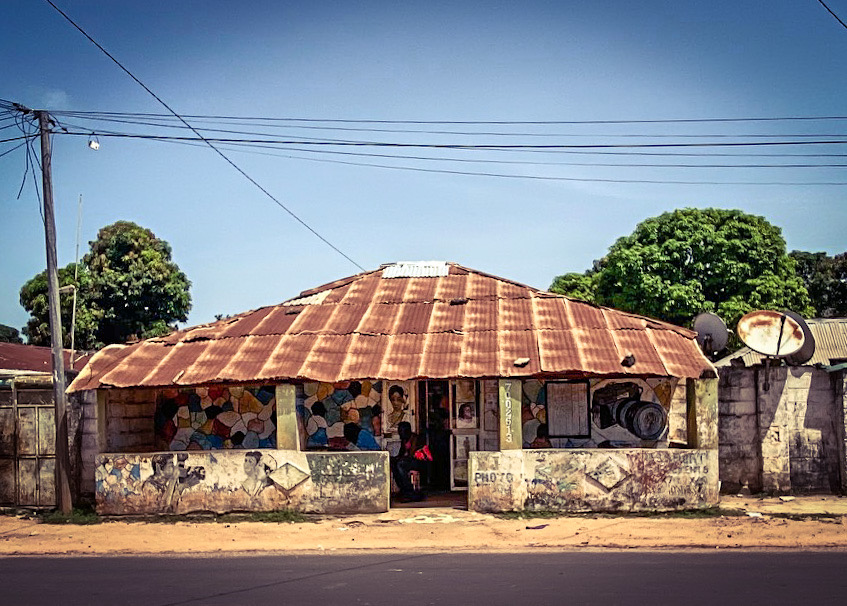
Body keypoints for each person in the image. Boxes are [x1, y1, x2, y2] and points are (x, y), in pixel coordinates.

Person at [390, 421, 427, 502]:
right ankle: (403, 488)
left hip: (419, 463)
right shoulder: (404, 440)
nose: (400, 433)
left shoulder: (416, 439)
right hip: (409, 461)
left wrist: (401, 458)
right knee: (394, 464)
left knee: (400, 464)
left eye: (401, 431)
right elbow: (401, 454)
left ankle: (409, 491)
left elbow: (416, 455)